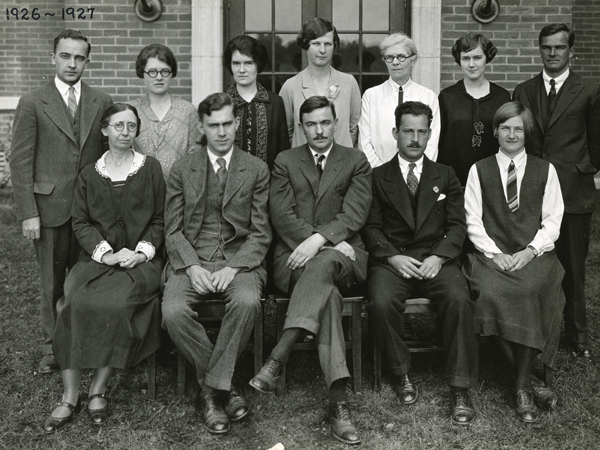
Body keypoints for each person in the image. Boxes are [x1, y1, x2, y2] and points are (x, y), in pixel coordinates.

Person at [250, 96, 372, 445]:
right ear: (301, 128)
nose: (319, 130)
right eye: (311, 124)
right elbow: (281, 213)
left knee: (325, 264)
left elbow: (355, 213)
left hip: (343, 257)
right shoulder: (285, 161)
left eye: (325, 122)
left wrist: (319, 242)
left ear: (336, 123)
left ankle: (279, 355)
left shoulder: (356, 160)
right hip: (295, 256)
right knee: (327, 296)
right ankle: (339, 402)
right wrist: (325, 243)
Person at [44, 103, 165, 432]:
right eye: (118, 126)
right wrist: (106, 253)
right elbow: (80, 222)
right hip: (97, 260)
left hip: (139, 263)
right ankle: (70, 395)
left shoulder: (150, 169)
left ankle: (97, 389)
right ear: (105, 130)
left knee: (115, 304)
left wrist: (140, 253)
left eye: (131, 126)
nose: (125, 132)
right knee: (71, 304)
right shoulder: (89, 174)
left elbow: (159, 219)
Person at [361, 101, 477, 425]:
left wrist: (439, 257)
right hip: (393, 259)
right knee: (381, 301)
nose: (415, 139)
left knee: (458, 298)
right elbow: (370, 227)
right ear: (395, 133)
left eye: (421, 132)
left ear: (429, 134)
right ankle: (401, 372)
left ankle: (460, 386)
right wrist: (392, 257)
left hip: (435, 258)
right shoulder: (377, 177)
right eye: (408, 131)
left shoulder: (446, 174)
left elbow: (457, 226)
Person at [162, 93, 271, 435]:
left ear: (236, 124)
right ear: (202, 127)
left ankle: (210, 393)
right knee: (173, 311)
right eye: (213, 125)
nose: (221, 132)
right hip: (193, 258)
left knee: (247, 301)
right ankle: (228, 387)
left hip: (238, 261)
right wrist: (192, 266)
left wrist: (234, 267)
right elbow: (172, 229)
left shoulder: (256, 168)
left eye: (227, 124)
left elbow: (261, 232)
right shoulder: (183, 168)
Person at [9, 29, 113, 374]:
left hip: (90, 212)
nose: (72, 63)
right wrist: (28, 212)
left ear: (87, 61)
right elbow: (20, 161)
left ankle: (86, 343)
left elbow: (109, 156)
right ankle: (52, 349)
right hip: (49, 208)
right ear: (53, 58)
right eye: (65, 56)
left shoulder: (101, 100)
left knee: (86, 281)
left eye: (79, 57)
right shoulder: (32, 101)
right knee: (52, 283)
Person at [463, 102, 565, 422]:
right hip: (490, 255)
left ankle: (521, 386)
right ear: (495, 131)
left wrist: (530, 251)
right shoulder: (479, 169)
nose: (511, 134)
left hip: (534, 255)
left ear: (527, 132)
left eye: (518, 128)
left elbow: (553, 220)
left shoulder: (545, 170)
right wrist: (495, 253)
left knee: (533, 290)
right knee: (490, 293)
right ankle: (529, 384)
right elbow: (472, 220)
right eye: (505, 128)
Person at [513, 23, 600, 358]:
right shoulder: (524, 90)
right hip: (533, 192)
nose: (552, 53)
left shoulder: (589, 90)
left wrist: (579, 169)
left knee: (573, 267)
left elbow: (597, 144)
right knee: (534, 264)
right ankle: (533, 332)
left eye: (559, 47)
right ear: (540, 49)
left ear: (571, 51)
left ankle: (577, 337)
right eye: (546, 47)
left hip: (573, 190)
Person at [438, 33, 511, 187]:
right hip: (454, 180)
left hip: (493, 179)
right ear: (459, 61)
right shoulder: (447, 97)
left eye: (477, 58)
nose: (471, 64)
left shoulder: (502, 97)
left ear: (487, 58)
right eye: (466, 58)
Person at [359, 33, 440, 167]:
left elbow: (432, 142)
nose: (395, 62)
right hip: (378, 172)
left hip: (417, 173)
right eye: (390, 57)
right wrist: (380, 171)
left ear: (412, 60)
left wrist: (415, 171)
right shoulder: (371, 96)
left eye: (401, 57)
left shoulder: (428, 96)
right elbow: (364, 141)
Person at [280, 17, 361, 148]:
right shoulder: (291, 86)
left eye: (328, 44)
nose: (322, 50)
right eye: (316, 44)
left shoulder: (349, 83)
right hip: (303, 159)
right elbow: (287, 132)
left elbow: (354, 128)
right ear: (306, 45)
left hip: (341, 159)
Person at [129, 44, 201, 181]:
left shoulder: (188, 111)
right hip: (139, 188)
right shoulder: (131, 110)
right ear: (142, 73)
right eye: (152, 72)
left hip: (179, 188)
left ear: (172, 73)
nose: (159, 77)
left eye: (165, 71)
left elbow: (195, 157)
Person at [224, 35, 290, 169]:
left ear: (257, 65)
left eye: (248, 63)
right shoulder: (222, 104)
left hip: (268, 179)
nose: (242, 70)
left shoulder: (275, 103)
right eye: (236, 63)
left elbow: (283, 151)